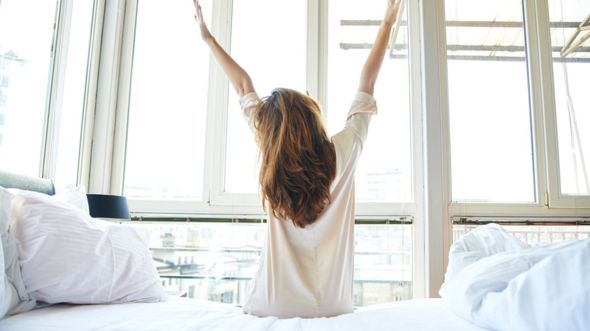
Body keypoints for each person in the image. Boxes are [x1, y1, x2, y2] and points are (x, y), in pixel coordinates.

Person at [193, 0, 402, 318]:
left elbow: (243, 85)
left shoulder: (270, 154)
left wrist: (208, 39)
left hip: (273, 304)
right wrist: (387, 24)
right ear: (311, 116)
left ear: (272, 130)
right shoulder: (343, 152)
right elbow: (367, 84)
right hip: (333, 305)